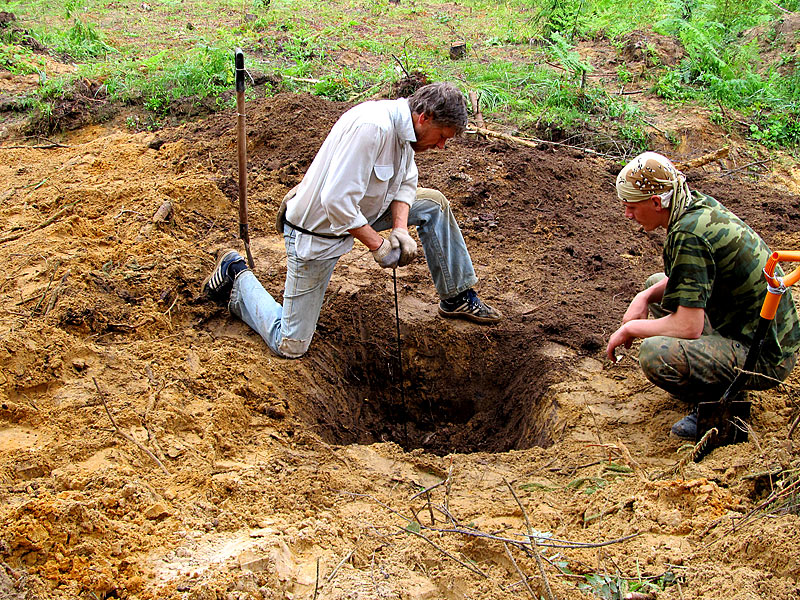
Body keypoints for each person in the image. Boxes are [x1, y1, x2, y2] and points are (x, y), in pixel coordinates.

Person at [202, 82, 502, 359]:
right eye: (442, 137)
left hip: (365, 211)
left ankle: (456, 296)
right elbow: (336, 201)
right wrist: (378, 246)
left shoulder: (406, 133)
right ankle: (235, 274)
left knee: (433, 203)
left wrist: (399, 229)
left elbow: (406, 183)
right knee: (290, 344)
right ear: (425, 116)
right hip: (317, 231)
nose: (440, 147)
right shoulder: (372, 128)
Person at [606, 151, 800, 438]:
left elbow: (688, 326)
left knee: (655, 353)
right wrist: (643, 297)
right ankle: (714, 371)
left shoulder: (688, 234)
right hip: (753, 327)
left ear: (657, 202)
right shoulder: (692, 205)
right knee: (656, 284)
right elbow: (686, 276)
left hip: (765, 354)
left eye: (631, 206)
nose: (627, 214)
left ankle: (722, 402)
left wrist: (631, 328)